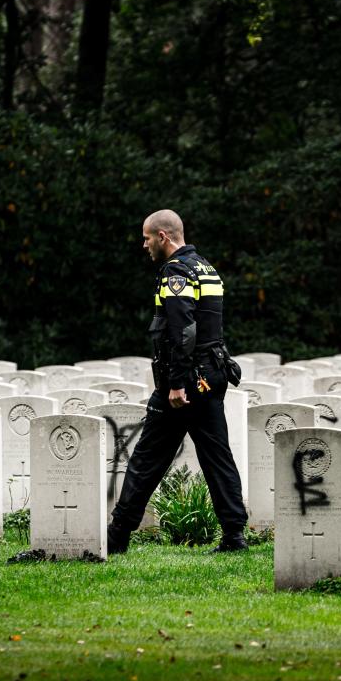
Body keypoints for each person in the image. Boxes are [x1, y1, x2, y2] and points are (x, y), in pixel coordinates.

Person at [106, 209, 248, 554]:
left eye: (147, 237)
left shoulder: (176, 272)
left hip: (188, 381)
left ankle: (117, 535)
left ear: (163, 237)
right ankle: (234, 534)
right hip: (212, 374)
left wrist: (176, 383)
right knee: (218, 457)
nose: (144, 244)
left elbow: (183, 331)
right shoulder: (206, 267)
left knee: (146, 458)